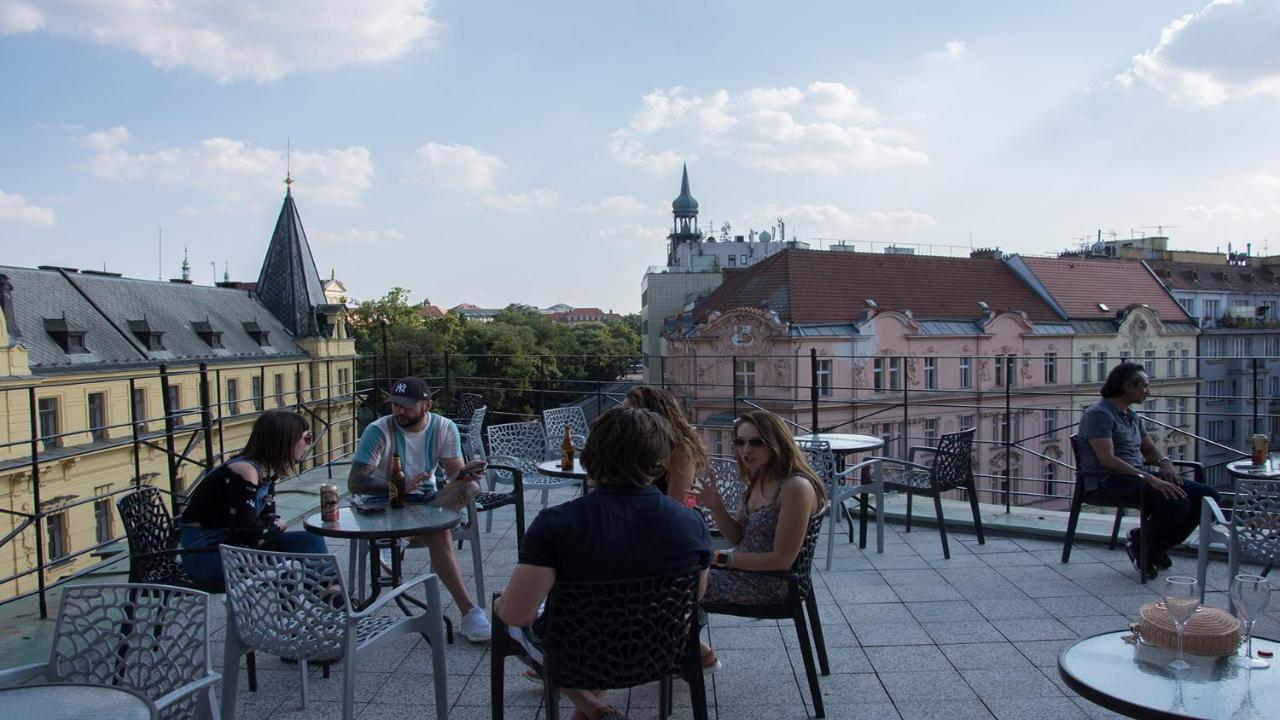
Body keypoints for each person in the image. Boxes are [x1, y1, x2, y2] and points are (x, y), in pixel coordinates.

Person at [495, 406, 712, 720]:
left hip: (580, 657)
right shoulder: (691, 522)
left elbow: (518, 614)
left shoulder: (557, 525)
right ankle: (592, 707)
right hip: (659, 652)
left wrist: (502, 604)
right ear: (659, 462)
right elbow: (697, 595)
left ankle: (592, 706)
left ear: (592, 456)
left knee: (506, 614)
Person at [347, 377, 491, 642]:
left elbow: (453, 475)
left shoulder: (443, 428)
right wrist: (395, 486)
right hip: (385, 506)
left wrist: (467, 475)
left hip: (427, 502)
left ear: (427, 405)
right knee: (440, 532)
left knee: (469, 489)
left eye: (406, 406)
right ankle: (469, 612)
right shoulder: (378, 430)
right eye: (394, 405)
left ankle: (403, 537)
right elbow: (356, 481)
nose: (399, 411)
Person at [696, 410, 828, 666]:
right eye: (740, 441)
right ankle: (687, 649)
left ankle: (692, 652)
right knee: (676, 576)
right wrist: (716, 506)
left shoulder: (795, 487)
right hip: (743, 572)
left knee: (678, 585)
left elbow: (782, 560)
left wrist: (720, 559)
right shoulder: (759, 478)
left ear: (777, 443)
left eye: (756, 442)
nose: (746, 449)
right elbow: (738, 536)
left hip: (770, 582)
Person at [1079, 362, 1219, 579]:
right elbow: (1106, 459)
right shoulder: (1098, 414)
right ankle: (1148, 546)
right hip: (1108, 482)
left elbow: (1149, 449)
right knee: (1177, 503)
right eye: (1144, 386)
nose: (1148, 391)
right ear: (1127, 386)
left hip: (1137, 477)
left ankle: (1148, 544)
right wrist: (1151, 479)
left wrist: (1164, 462)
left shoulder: (1132, 416)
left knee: (1207, 497)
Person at [180, 409, 327, 586]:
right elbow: (248, 532)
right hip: (208, 557)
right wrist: (278, 525)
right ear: (285, 441)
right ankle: (329, 603)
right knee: (289, 565)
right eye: (306, 438)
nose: (307, 444)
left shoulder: (266, 471)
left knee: (310, 539)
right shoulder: (245, 471)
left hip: (232, 548)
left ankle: (331, 597)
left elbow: (266, 522)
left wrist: (274, 526)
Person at [622, 385, 708, 502]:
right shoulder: (630, 444)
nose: (622, 419)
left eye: (630, 414)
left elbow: (675, 503)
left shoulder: (681, 450)